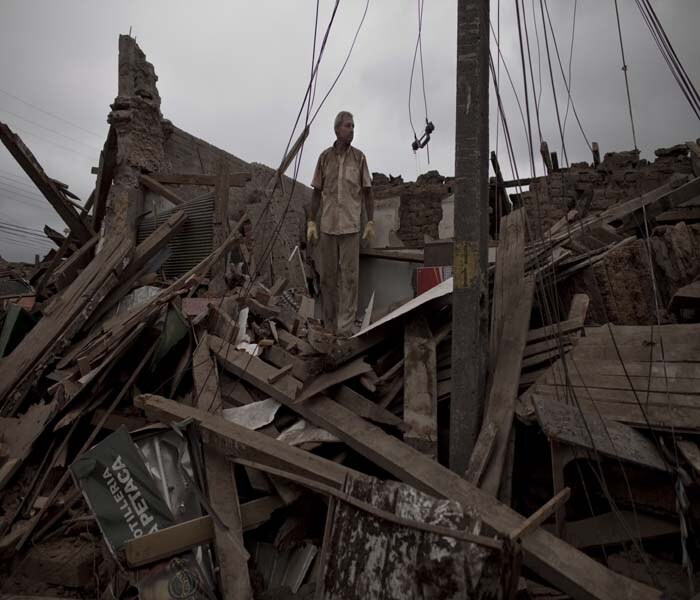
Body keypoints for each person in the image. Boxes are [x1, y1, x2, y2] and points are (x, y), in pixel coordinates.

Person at [307, 111, 374, 336]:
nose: (352, 130)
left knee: (350, 279)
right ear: (337, 130)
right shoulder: (325, 158)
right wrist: (311, 222)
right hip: (327, 227)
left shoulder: (360, 158)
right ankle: (329, 326)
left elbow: (368, 192)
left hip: (350, 228)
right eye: (348, 126)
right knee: (328, 278)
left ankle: (345, 330)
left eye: (354, 126)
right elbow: (316, 191)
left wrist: (370, 222)